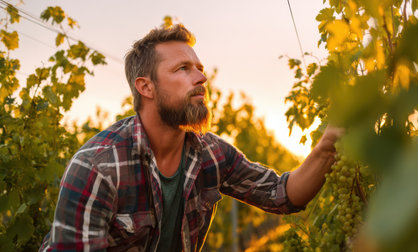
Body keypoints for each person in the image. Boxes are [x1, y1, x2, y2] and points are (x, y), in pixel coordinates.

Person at [39, 24, 342, 252]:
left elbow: (282, 194)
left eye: (199, 68)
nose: (201, 77)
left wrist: (327, 148)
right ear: (146, 87)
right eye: (183, 69)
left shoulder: (211, 153)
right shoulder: (98, 167)